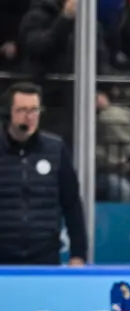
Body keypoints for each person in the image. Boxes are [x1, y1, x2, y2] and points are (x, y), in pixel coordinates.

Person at [0, 82, 88, 265]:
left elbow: (71, 204)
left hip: (44, 258)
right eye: (22, 110)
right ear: (9, 113)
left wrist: (78, 254)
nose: (29, 117)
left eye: (34, 110)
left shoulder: (55, 149)